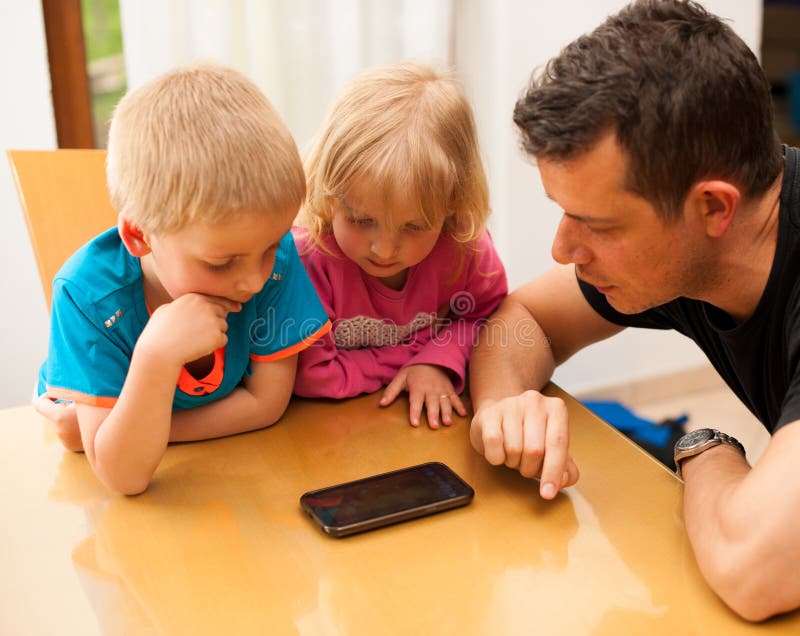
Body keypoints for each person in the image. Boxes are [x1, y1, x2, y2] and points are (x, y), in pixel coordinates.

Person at [469, 0, 800, 621]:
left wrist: (705, 448)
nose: (563, 248)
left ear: (712, 209)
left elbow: (755, 568)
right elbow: (525, 320)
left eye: (596, 224)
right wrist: (503, 405)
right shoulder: (707, 248)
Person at [35, 64, 330, 495]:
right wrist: (155, 357)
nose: (253, 280)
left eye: (269, 246)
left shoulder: (274, 257)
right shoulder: (85, 297)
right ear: (139, 235)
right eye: (220, 262)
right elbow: (124, 476)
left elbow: (266, 406)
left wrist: (118, 437)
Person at [293, 62, 507, 428]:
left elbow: (488, 316)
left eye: (414, 226)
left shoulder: (464, 246)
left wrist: (436, 359)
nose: (385, 250)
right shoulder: (308, 257)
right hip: (322, 434)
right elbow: (314, 376)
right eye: (362, 221)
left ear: (452, 204)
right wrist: (412, 356)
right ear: (328, 193)